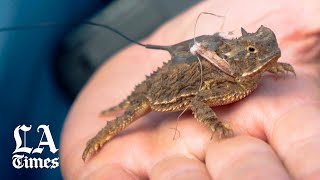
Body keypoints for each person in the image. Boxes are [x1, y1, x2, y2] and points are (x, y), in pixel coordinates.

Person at [60, 1, 320, 179]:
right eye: (253, 51)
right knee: (132, 111)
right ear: (241, 56)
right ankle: (101, 134)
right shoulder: (227, 83)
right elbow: (197, 100)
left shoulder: (243, 74)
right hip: (161, 90)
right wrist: (216, 126)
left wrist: (268, 65)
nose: (267, 54)